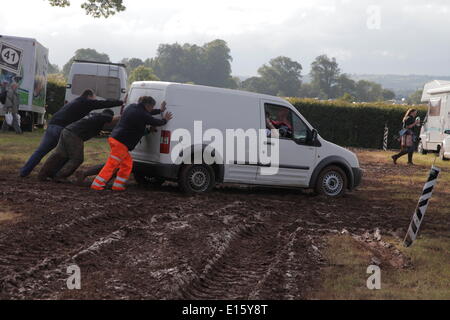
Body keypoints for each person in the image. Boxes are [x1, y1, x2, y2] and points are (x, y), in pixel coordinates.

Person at [19, 89, 123, 177]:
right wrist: (121, 102)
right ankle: (55, 174)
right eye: (94, 98)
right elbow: (104, 103)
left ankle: (24, 172)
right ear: (89, 96)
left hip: (52, 124)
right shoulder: (86, 102)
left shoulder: (75, 101)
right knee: (66, 154)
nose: (95, 100)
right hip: (62, 128)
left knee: (41, 151)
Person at [91, 97, 173, 191]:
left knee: (127, 164)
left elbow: (147, 113)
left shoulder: (132, 107)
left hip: (116, 138)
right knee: (112, 165)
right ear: (148, 105)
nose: (151, 109)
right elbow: (155, 121)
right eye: (152, 107)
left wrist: (159, 110)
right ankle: (97, 184)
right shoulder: (142, 114)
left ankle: (118, 186)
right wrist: (165, 120)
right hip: (121, 143)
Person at [37, 109, 120, 182]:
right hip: (75, 135)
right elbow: (114, 119)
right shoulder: (104, 116)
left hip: (67, 131)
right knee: (77, 159)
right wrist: (126, 115)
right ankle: (60, 176)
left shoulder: (94, 115)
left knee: (59, 155)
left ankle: (42, 174)